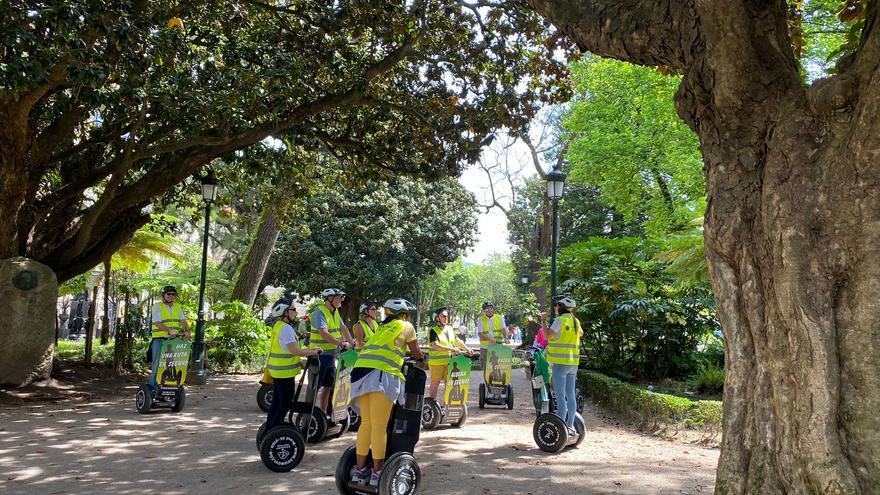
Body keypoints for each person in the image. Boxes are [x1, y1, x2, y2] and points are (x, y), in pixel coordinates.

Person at [348, 298, 424, 488]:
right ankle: (377, 472)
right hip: (381, 375)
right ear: (404, 314)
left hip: (361, 372)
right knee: (379, 425)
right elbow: (415, 351)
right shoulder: (406, 326)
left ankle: (359, 471)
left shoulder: (381, 328)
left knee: (366, 423)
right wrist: (422, 360)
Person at [265, 295, 322, 431]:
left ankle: (270, 428)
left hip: (277, 371)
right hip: (284, 373)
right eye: (293, 309)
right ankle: (275, 431)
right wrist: (313, 351)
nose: (296, 312)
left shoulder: (278, 326)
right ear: (285, 312)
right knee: (285, 403)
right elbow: (295, 351)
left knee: (277, 402)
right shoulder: (286, 329)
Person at [540, 295, 584, 437]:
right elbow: (581, 333)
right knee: (570, 394)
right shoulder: (575, 321)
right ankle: (570, 425)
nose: (555, 308)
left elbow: (546, 335)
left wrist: (543, 320)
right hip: (573, 363)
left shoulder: (560, 320)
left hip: (560, 364)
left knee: (559, 395)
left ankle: (560, 424)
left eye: (556, 306)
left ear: (561, 307)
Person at [310, 288, 355, 415]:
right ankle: (311, 414)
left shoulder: (335, 312)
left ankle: (322, 414)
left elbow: (343, 328)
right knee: (314, 389)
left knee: (328, 386)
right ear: (330, 299)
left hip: (331, 356)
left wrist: (351, 342)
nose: (341, 300)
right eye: (339, 297)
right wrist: (340, 343)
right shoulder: (319, 313)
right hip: (320, 356)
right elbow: (324, 333)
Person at [148, 286, 189, 395]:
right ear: (163, 295)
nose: (171, 296)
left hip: (173, 341)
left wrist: (187, 331)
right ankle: (153, 389)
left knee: (174, 365)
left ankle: (170, 389)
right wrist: (169, 330)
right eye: (168, 294)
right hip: (160, 340)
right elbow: (157, 323)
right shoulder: (157, 307)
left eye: (173, 294)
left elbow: (183, 321)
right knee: (157, 365)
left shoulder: (177, 307)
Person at [427, 307, 473, 402]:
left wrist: (467, 349)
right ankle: (432, 404)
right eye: (443, 316)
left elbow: (457, 341)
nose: (446, 318)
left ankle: (446, 404)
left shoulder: (450, 329)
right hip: (436, 363)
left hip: (449, 362)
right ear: (437, 318)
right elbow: (437, 346)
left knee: (449, 384)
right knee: (435, 383)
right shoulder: (433, 331)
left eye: (447, 316)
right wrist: (452, 349)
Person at [476, 301, 506, 368]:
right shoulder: (481, 319)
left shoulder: (500, 318)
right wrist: (490, 339)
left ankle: (496, 377)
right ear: (484, 311)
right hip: (485, 347)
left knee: (496, 365)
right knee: (485, 367)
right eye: (487, 309)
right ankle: (486, 378)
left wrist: (506, 338)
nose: (489, 310)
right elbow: (480, 334)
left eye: (491, 308)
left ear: (493, 309)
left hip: (497, 345)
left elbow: (504, 329)